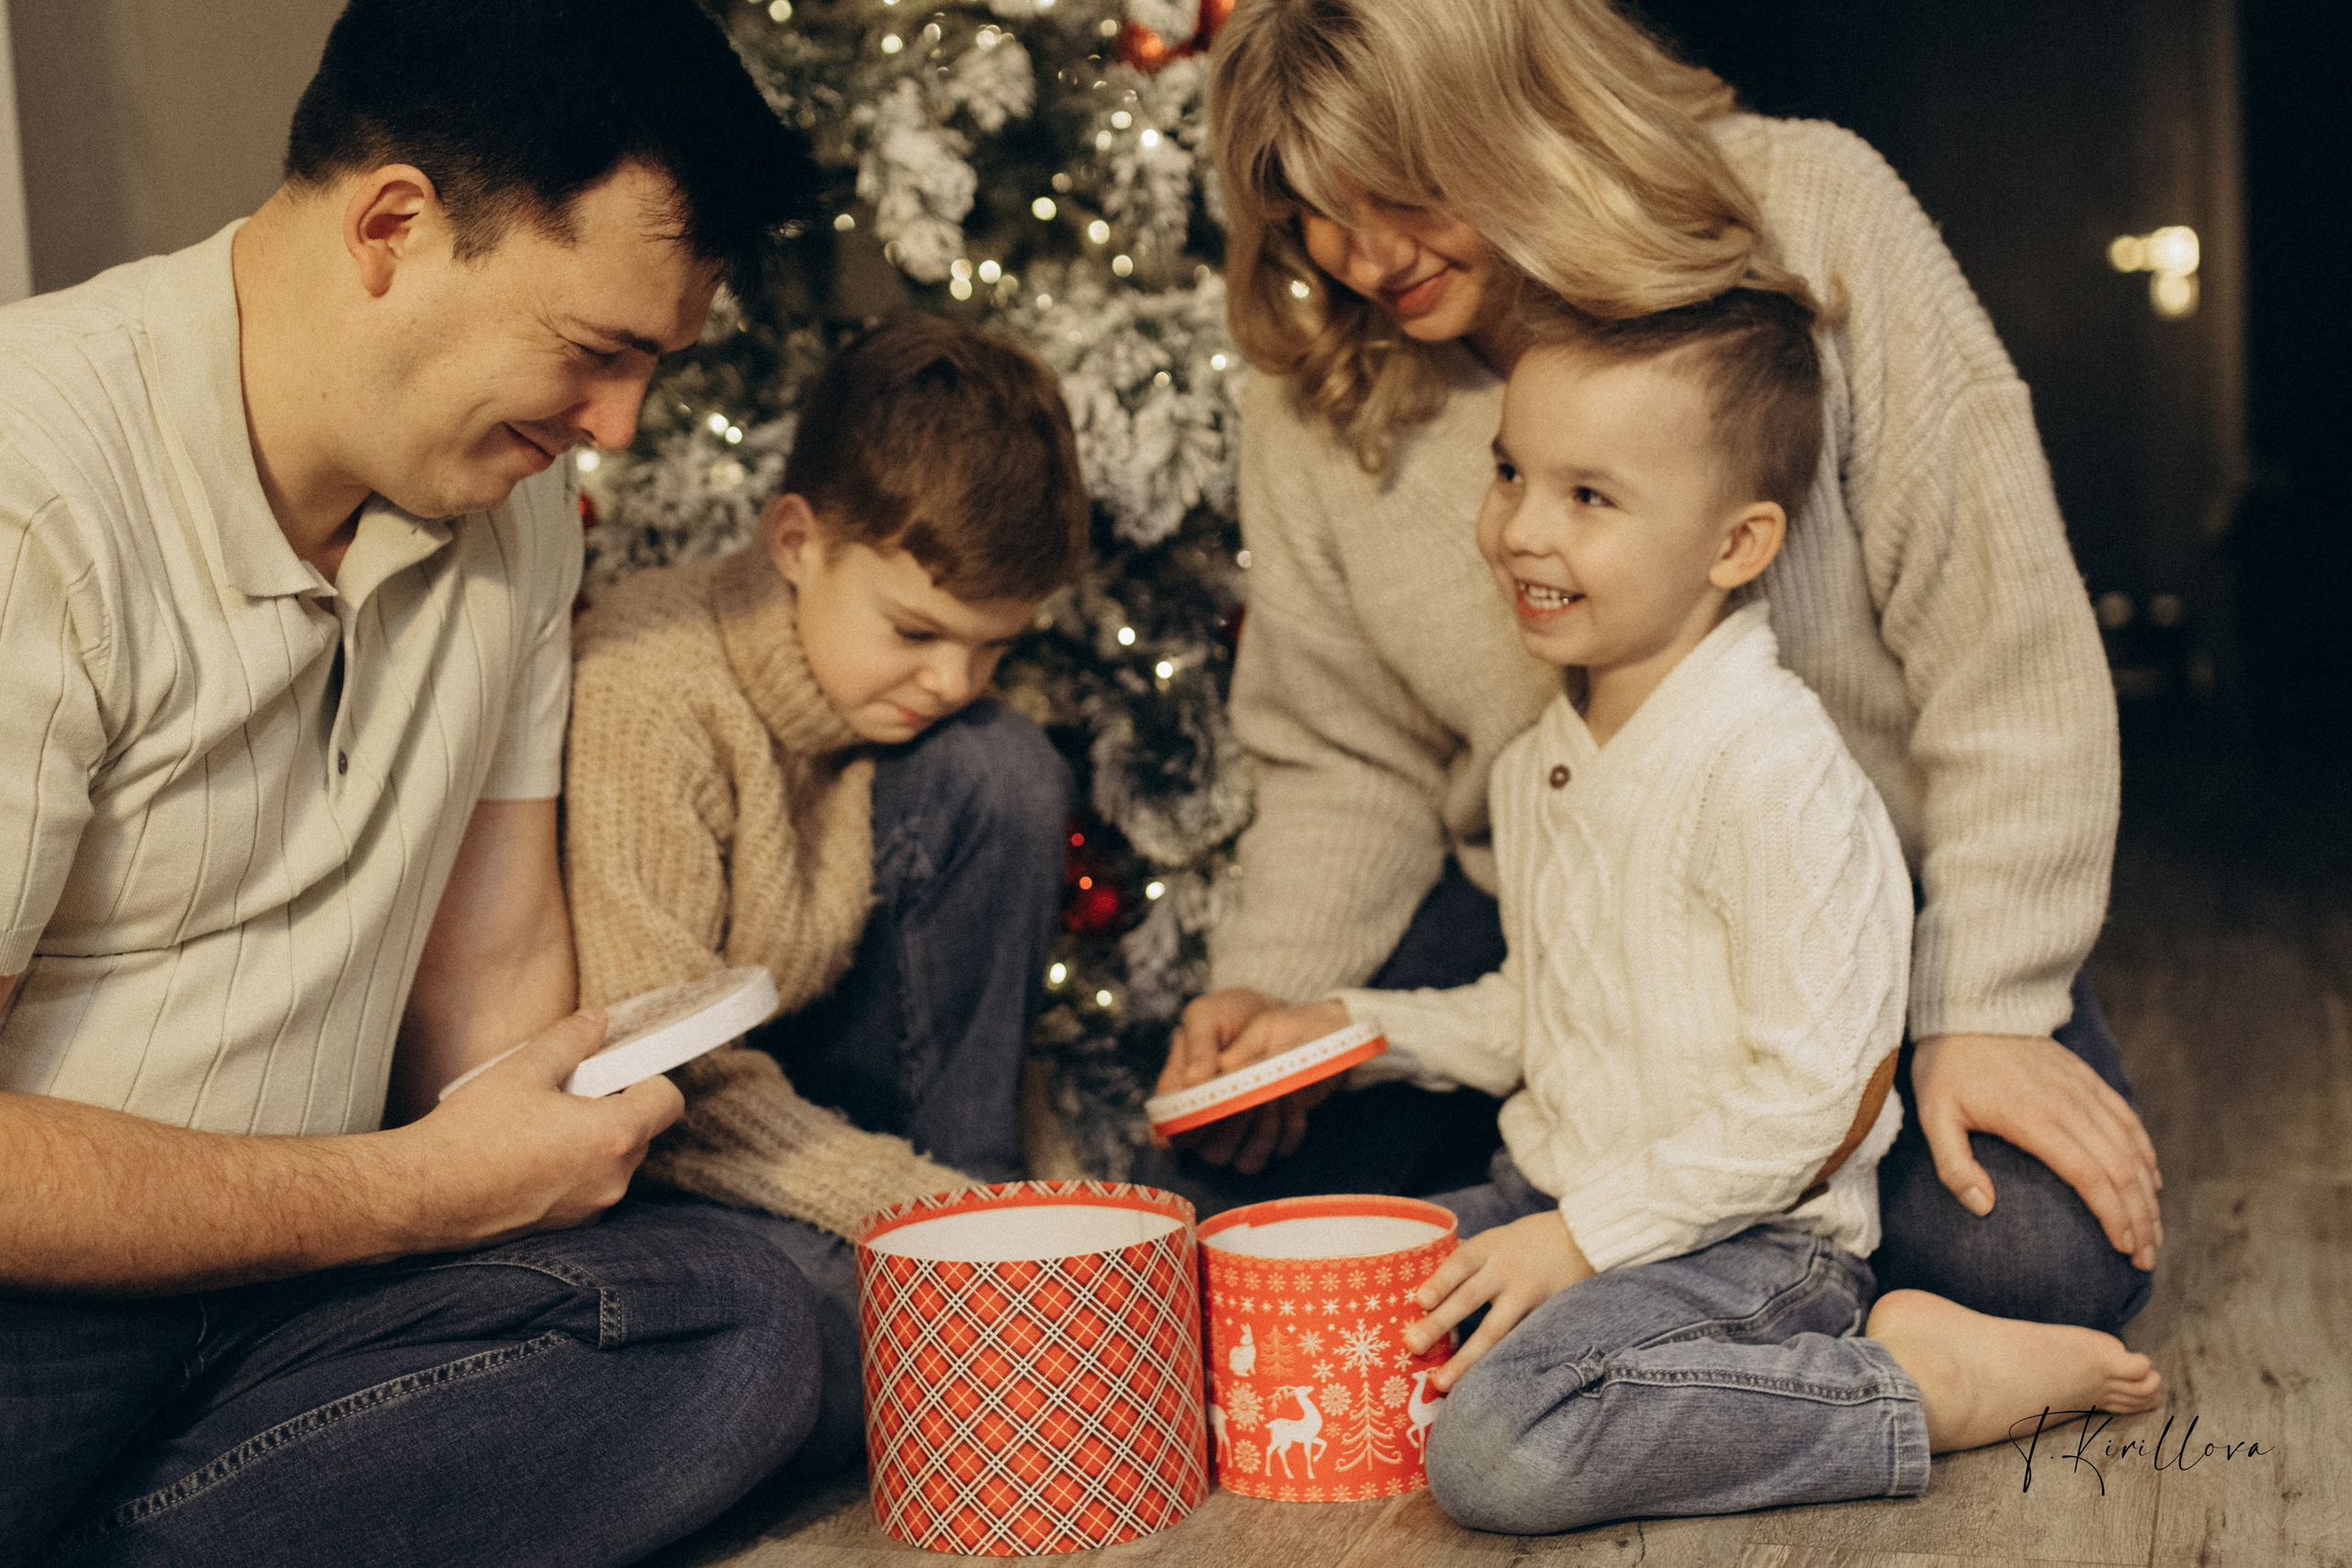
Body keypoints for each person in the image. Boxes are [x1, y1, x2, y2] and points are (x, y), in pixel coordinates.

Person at [1158, 0, 2161, 1333]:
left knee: (2031, 1259)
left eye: (1405, 189)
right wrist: (1277, 990)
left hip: (1855, 914)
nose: (1365, 255)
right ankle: (1642, 1231)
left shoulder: (1813, 208)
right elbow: (1346, 755)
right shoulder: (1322, 391)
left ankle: (1730, 1282)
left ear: (1515, 108)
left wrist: (1987, 1002)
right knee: (1230, 1230)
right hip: (1555, 926)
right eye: (1311, 213)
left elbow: (2002, 648)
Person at [0, 3, 827, 1562]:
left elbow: (495, 983)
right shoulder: (31, 485)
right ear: (393, 224)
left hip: (295, 1312)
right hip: (37, 1316)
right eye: (597, 354)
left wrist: (570, 1132)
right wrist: (416, 1192)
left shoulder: (509, 517)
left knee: (743, 1325)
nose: (616, 430)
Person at [1221, 288, 2161, 1534]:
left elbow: (1822, 1095)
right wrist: (1351, 1028)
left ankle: (1909, 1385)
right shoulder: (1545, 757)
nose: (1519, 529)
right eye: (1510, 471)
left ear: (1736, 544)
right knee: (1328, 1293)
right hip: (1560, 1191)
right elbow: (1547, 1010)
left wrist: (1583, 1241)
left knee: (1498, 1446)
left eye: (1588, 496)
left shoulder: (1771, 772)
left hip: (1753, 1244)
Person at [564, 316, 1086, 1466]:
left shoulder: (914, 714)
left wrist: (1030, 1207)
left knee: (1002, 764)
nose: (951, 680)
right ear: (796, 539)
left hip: (874, 1145)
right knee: (816, 1352)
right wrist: (932, 1217)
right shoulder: (649, 694)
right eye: (916, 630)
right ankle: (968, 1297)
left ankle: (983, 1287)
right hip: (687, 1162)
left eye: (993, 648)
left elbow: (974, 1034)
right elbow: (663, 1088)